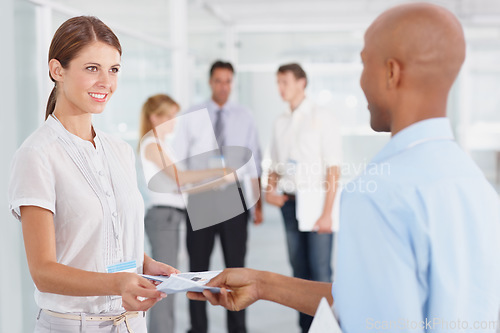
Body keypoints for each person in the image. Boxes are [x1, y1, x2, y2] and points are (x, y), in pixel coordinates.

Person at [188, 3, 500, 332]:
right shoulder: (478, 188)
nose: (361, 82)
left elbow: (376, 323)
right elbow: (370, 302)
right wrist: (263, 285)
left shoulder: (380, 196)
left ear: (392, 73)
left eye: (364, 64)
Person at [8, 16, 180, 333]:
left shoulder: (120, 151)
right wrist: (117, 283)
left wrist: (145, 264)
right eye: (92, 68)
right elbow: (43, 271)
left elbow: (106, 230)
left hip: (131, 324)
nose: (106, 81)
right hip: (73, 326)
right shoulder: (37, 155)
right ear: (57, 70)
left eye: (113, 69)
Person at [175, 60, 263, 333]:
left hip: (233, 197)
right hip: (201, 196)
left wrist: (257, 204)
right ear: (210, 82)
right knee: (197, 268)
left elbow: (255, 159)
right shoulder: (192, 114)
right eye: (218, 81)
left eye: (228, 81)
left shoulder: (244, 115)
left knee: (236, 268)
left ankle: (237, 328)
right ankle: (197, 327)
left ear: (232, 83)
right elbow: (179, 158)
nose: (223, 87)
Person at [266, 63, 341, 332]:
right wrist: (269, 191)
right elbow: (274, 164)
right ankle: (306, 329)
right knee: (299, 274)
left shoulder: (322, 117)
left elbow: (334, 168)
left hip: (317, 204)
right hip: (289, 203)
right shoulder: (280, 121)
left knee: (320, 273)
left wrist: (328, 213)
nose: (280, 88)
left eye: (284, 82)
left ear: (302, 83)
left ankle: (328, 328)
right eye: (278, 82)